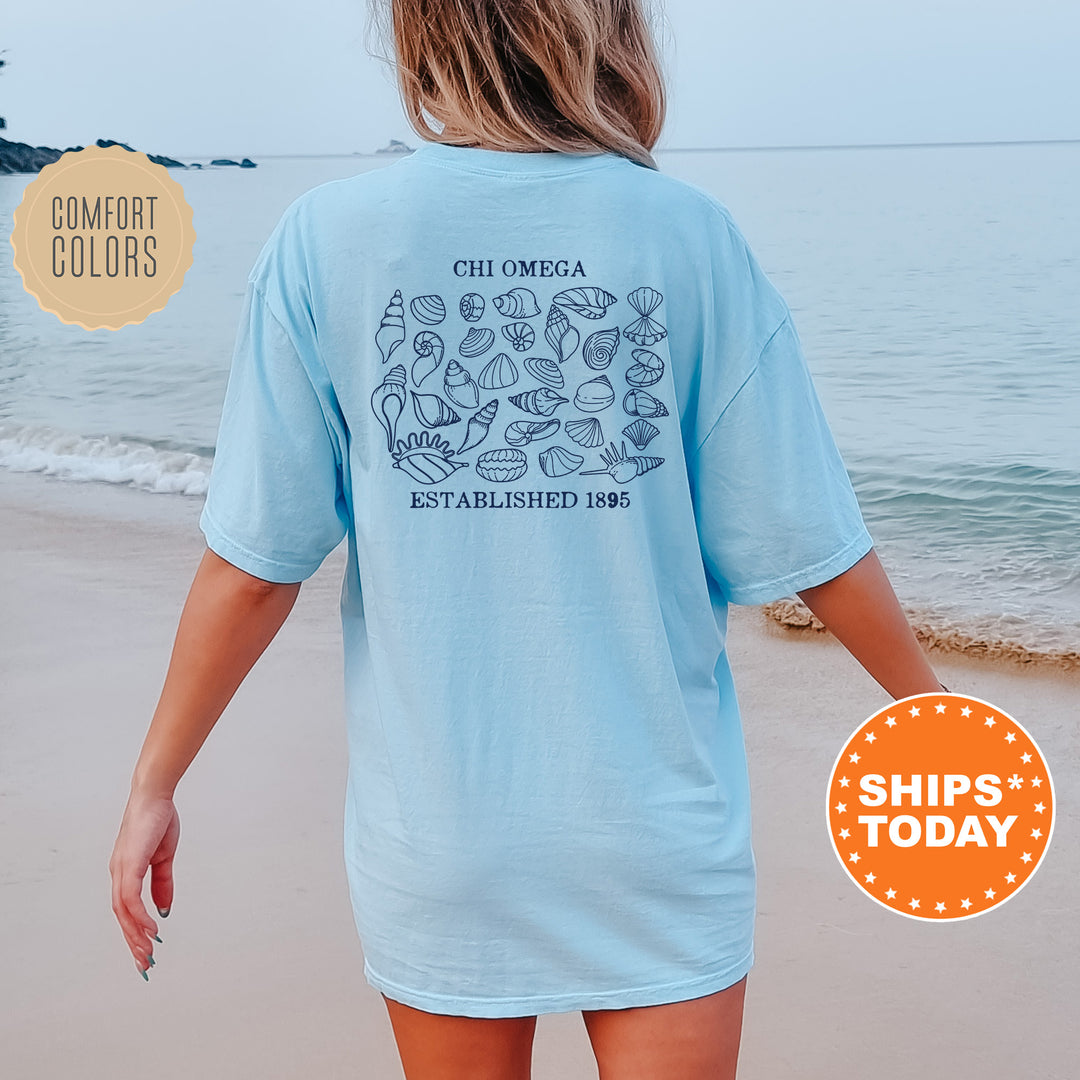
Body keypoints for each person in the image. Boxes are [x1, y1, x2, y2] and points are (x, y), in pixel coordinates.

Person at [109, 1, 946, 1076]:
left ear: (421, 32)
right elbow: (812, 542)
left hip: (442, 838)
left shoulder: (324, 240)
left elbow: (253, 569)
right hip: (654, 835)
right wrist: (937, 718)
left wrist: (155, 783)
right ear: (607, 28)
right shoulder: (688, 235)